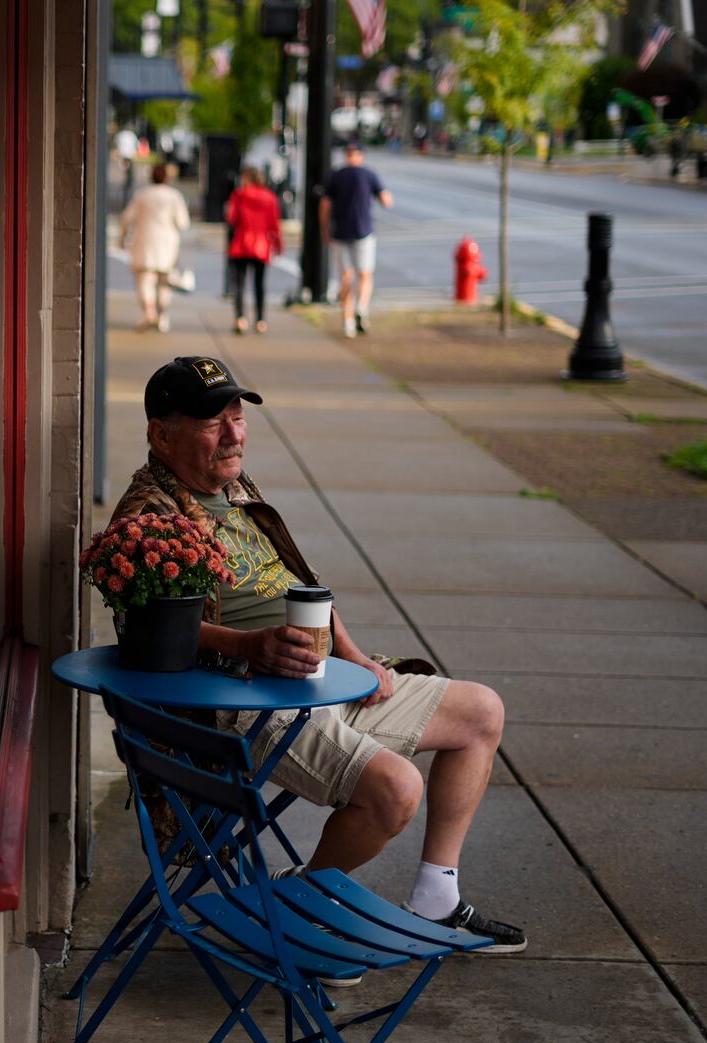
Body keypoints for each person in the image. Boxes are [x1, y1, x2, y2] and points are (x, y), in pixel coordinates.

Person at [111, 354, 527, 955]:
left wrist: (356, 655)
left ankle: (436, 899)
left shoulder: (234, 488)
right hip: (243, 702)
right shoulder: (149, 516)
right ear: (161, 433)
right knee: (395, 791)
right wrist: (247, 646)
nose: (233, 434)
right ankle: (301, 906)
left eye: (236, 416)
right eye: (212, 422)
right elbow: (147, 628)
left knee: (481, 711)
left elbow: (299, 582)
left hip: (321, 680)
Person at [320, 142, 393, 339]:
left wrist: (324, 229)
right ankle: (362, 307)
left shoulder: (336, 175)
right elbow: (386, 200)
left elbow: (325, 205)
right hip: (364, 231)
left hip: (340, 233)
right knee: (365, 274)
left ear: (346, 155)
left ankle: (348, 320)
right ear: (360, 155)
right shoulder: (369, 174)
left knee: (345, 276)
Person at [119, 162, 190, 334]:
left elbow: (126, 218)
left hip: (145, 241)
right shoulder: (174, 196)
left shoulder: (142, 195)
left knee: (145, 279)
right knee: (164, 281)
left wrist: (121, 239)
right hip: (167, 244)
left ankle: (149, 312)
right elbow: (183, 223)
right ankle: (162, 316)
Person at [224, 166, 282, 335]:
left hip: (241, 243)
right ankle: (260, 320)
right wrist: (278, 244)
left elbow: (231, 218)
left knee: (239, 284)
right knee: (259, 284)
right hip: (261, 245)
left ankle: (240, 318)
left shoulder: (239, 195)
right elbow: (274, 224)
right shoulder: (270, 198)